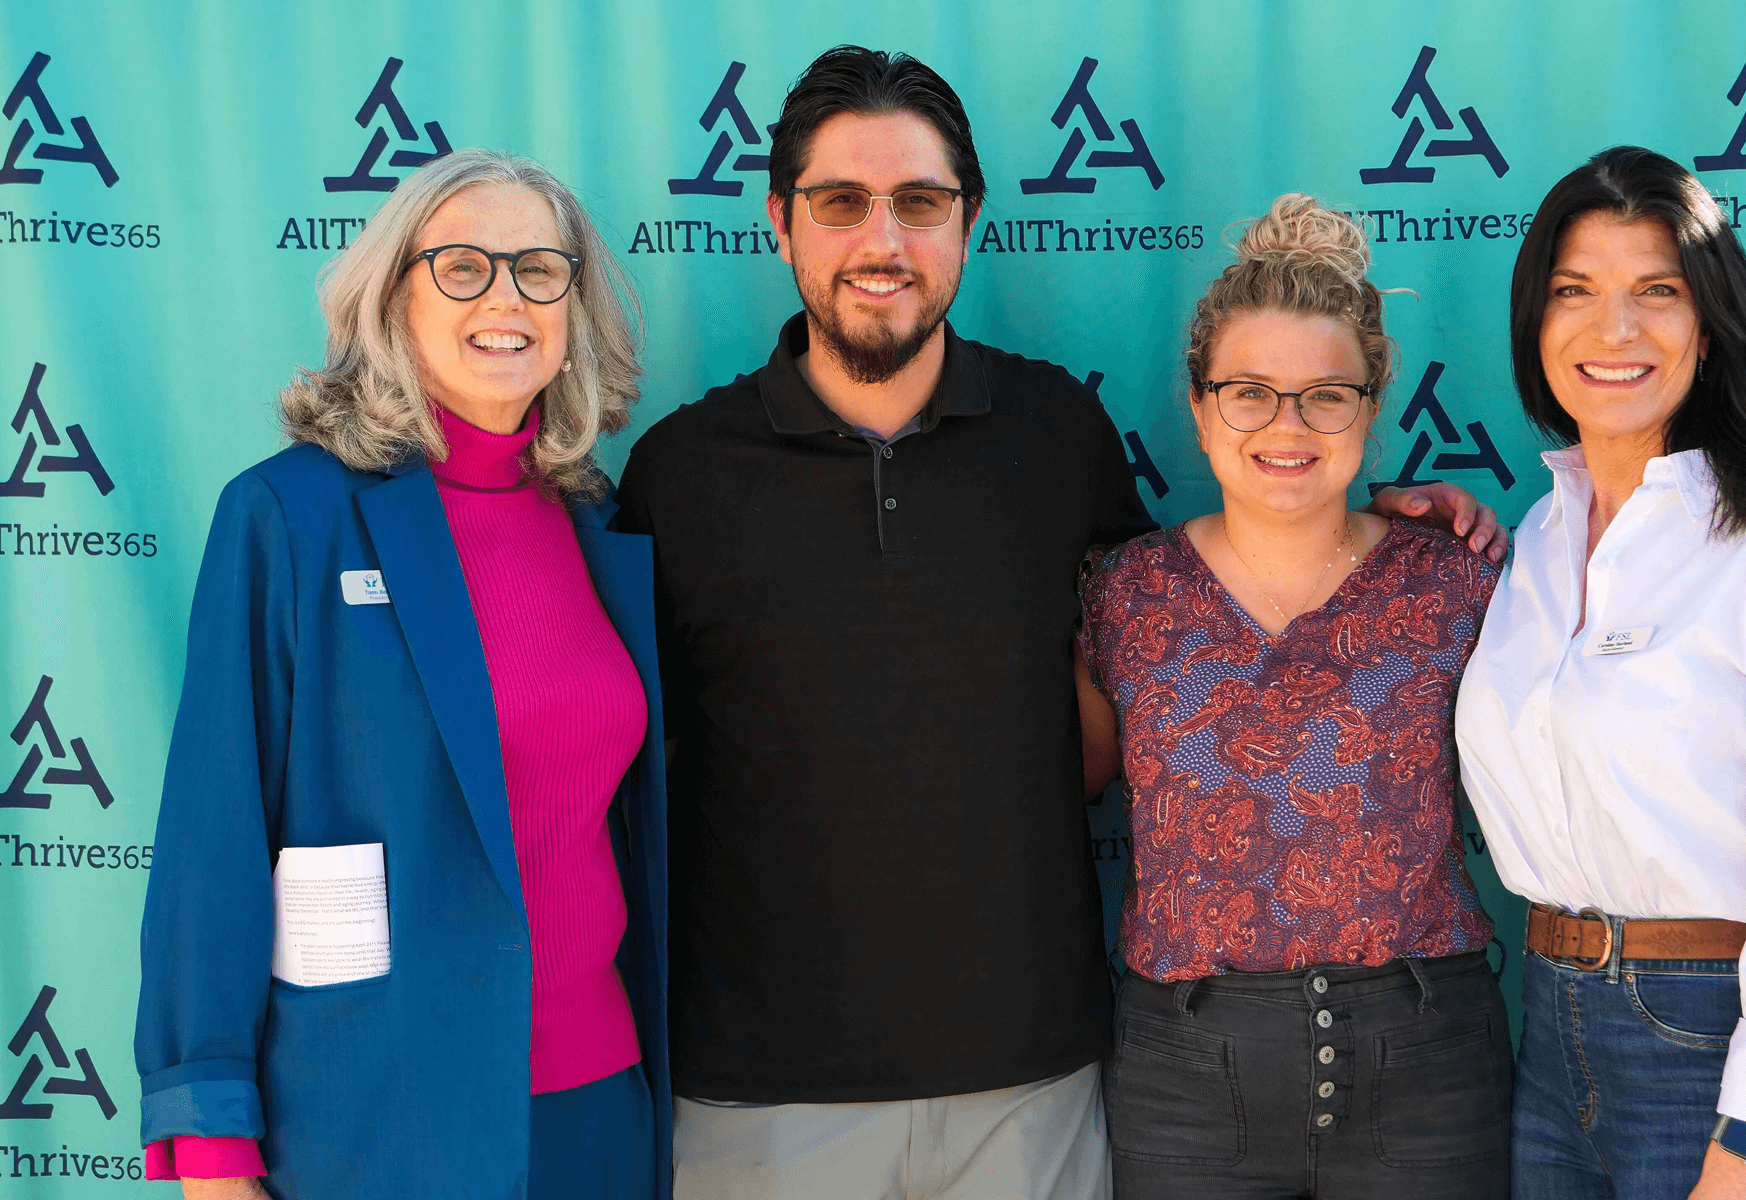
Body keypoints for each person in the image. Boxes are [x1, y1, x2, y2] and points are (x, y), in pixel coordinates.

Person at [613, 46, 1504, 1200]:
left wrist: (1401, 514)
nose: (882, 241)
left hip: (1031, 1084)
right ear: (781, 222)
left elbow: (1194, 628)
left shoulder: (1053, 431)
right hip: (761, 1091)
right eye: (841, 203)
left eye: (920, 204)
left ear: (967, 224)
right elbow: (636, 773)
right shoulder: (679, 472)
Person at [134, 149, 669, 1200]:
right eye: (463, 266)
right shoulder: (291, 516)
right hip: (375, 1120)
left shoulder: (602, 527)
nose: (506, 298)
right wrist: (207, 1146)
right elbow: (215, 841)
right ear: (395, 298)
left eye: (538, 269)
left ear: (574, 303)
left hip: (599, 1106)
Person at [1452, 146, 1746, 1200]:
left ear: (1710, 329)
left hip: (1710, 1051)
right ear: (1536, 323)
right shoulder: (1536, 539)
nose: (1611, 330)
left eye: (1655, 294)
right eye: (1574, 291)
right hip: (1550, 1032)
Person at [1075, 195, 1511, 1200]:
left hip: (1427, 1065)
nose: (1288, 424)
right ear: (1197, 404)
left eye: (1326, 394)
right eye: (1251, 392)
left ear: (1370, 406)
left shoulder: (1456, 582)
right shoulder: (1122, 594)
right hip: (1185, 1076)